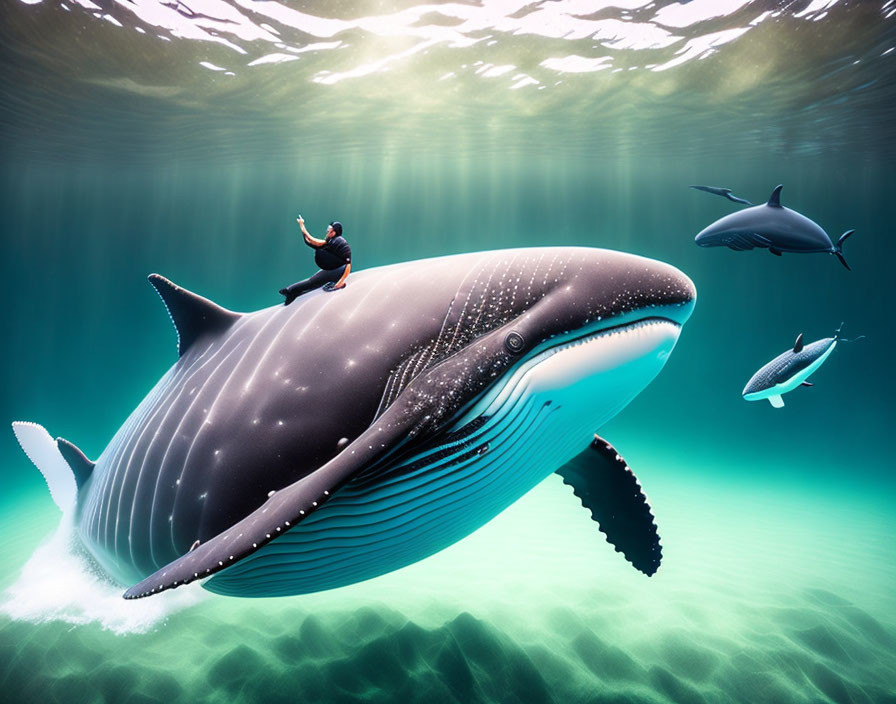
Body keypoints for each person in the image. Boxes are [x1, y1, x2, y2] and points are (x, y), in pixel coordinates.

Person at [279, 215, 352, 305]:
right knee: (313, 281)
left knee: (313, 282)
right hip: (334, 268)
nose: (327, 231)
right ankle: (291, 291)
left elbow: (348, 264)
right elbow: (310, 240)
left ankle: (290, 291)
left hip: (339, 270)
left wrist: (340, 283)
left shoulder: (340, 243)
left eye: (329, 230)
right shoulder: (330, 241)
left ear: (334, 232)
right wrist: (302, 225)